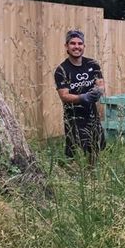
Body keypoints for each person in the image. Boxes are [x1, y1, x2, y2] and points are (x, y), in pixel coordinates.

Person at [54, 30, 106, 165]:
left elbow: (101, 84)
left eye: (80, 43)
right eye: (72, 43)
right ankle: (74, 178)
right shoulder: (62, 70)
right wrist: (83, 97)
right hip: (73, 117)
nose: (76, 46)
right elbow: (64, 96)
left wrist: (98, 92)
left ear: (84, 46)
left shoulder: (93, 64)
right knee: (74, 152)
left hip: (92, 114)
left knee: (95, 148)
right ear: (66, 46)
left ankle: (92, 175)